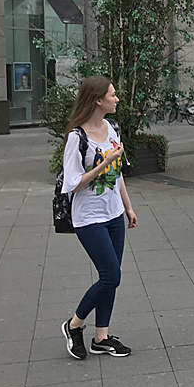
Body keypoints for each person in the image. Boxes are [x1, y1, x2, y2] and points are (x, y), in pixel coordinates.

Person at [60, 76, 138, 360]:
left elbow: (117, 175)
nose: (116, 99)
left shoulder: (112, 128)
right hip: (89, 217)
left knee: (112, 278)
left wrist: (128, 207)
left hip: (114, 213)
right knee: (110, 275)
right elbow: (73, 183)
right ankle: (74, 325)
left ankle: (101, 337)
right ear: (98, 100)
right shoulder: (76, 138)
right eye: (112, 95)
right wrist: (102, 163)